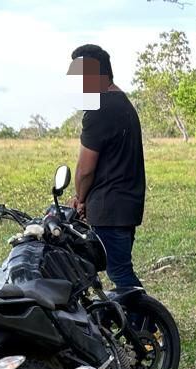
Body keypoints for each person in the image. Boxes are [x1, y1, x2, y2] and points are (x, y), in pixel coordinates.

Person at [67, 44, 145, 291]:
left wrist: (80, 199)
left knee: (120, 273)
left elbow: (85, 169)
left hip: (110, 208)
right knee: (115, 269)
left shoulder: (99, 108)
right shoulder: (122, 102)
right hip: (125, 205)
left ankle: (147, 315)